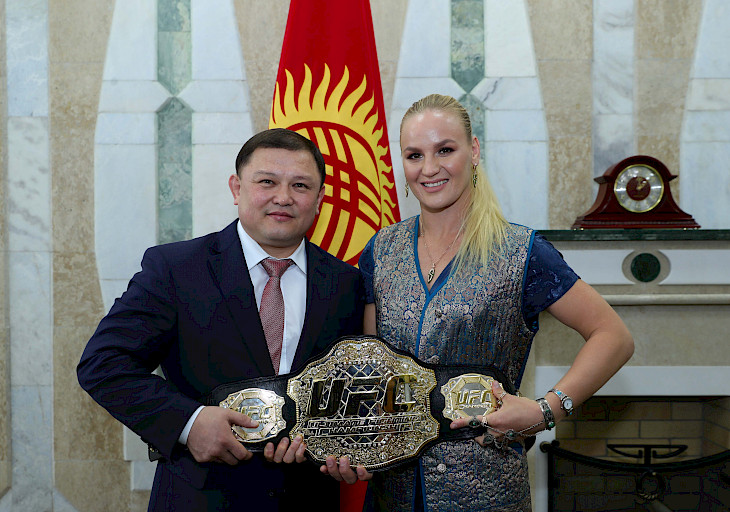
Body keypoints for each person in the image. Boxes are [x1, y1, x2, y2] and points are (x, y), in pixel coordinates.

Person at [321, 94, 634, 511]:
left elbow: (613, 336)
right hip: (393, 493)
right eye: (414, 155)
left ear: (473, 151)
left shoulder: (521, 251)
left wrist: (546, 410)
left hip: (487, 489)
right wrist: (355, 446)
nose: (429, 168)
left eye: (445, 150)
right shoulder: (381, 250)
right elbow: (373, 371)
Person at [77, 128, 365, 511]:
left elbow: (352, 390)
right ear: (236, 188)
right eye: (267, 182)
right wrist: (189, 422)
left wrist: (351, 446)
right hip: (199, 497)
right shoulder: (176, 269)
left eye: (300, 185)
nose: (283, 197)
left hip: (306, 498)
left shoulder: (347, 284)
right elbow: (103, 364)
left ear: (319, 199)